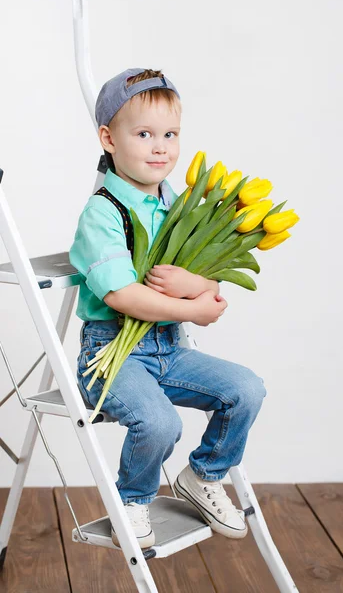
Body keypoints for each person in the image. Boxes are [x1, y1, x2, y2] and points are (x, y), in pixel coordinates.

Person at [70, 68, 267, 550]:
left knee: (246, 389)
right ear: (108, 138)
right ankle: (133, 500)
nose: (160, 148)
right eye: (144, 134)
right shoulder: (104, 213)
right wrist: (191, 309)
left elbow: (205, 270)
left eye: (170, 135)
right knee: (159, 421)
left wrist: (195, 285)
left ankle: (204, 474)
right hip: (112, 352)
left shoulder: (175, 202)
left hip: (168, 350)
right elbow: (122, 296)